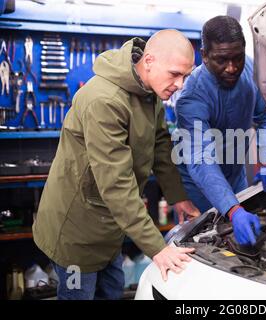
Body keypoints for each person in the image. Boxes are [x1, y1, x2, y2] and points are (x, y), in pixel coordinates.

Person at [32, 30, 200, 300]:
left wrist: (178, 197)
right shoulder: (104, 101)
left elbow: (160, 145)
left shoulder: (149, 90)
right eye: (174, 74)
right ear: (148, 61)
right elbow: (116, 185)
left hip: (109, 227)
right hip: (76, 232)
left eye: (185, 76)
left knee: (111, 292)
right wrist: (158, 248)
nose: (180, 85)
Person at [174, 16, 266, 247]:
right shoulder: (191, 96)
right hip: (198, 185)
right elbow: (200, 159)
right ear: (204, 55)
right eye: (221, 60)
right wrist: (233, 210)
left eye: (237, 58)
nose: (232, 68)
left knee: (248, 241)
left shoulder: (250, 70)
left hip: (236, 176)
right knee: (204, 247)